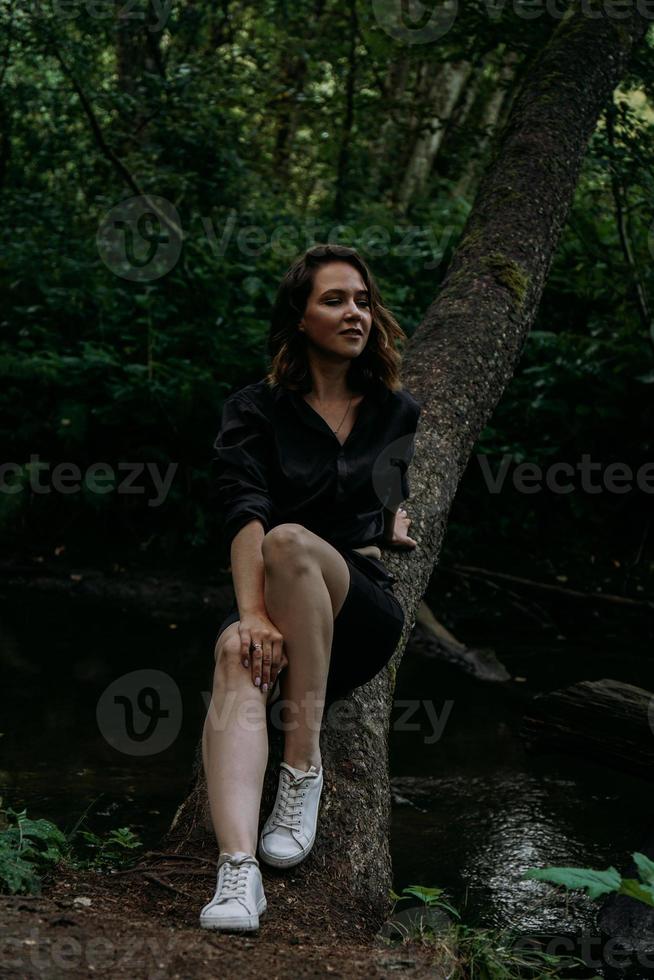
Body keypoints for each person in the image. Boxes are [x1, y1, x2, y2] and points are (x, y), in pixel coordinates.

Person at [199, 243, 421, 932]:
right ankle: (238, 875)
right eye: (334, 299)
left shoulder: (393, 411)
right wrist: (254, 616)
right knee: (239, 651)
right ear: (301, 317)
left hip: (358, 614)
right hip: (277, 604)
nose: (354, 312)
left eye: (362, 299)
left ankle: (301, 767)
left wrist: (394, 520)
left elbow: (389, 499)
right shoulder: (254, 409)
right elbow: (243, 511)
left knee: (291, 542)